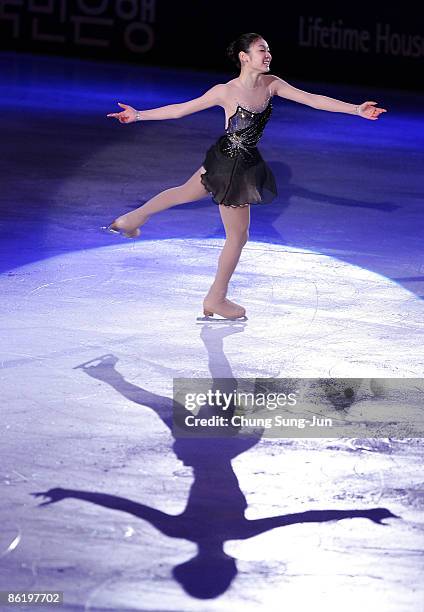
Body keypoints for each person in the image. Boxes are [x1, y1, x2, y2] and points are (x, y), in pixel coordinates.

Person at [105, 32, 387, 319]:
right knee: (238, 236)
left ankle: (131, 219)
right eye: (261, 50)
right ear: (244, 57)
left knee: (183, 193)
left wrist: (356, 109)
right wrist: (138, 115)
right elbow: (181, 110)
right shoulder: (225, 91)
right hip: (234, 167)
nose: (268, 55)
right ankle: (216, 298)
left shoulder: (271, 84)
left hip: (228, 155)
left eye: (269, 50)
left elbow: (312, 99)